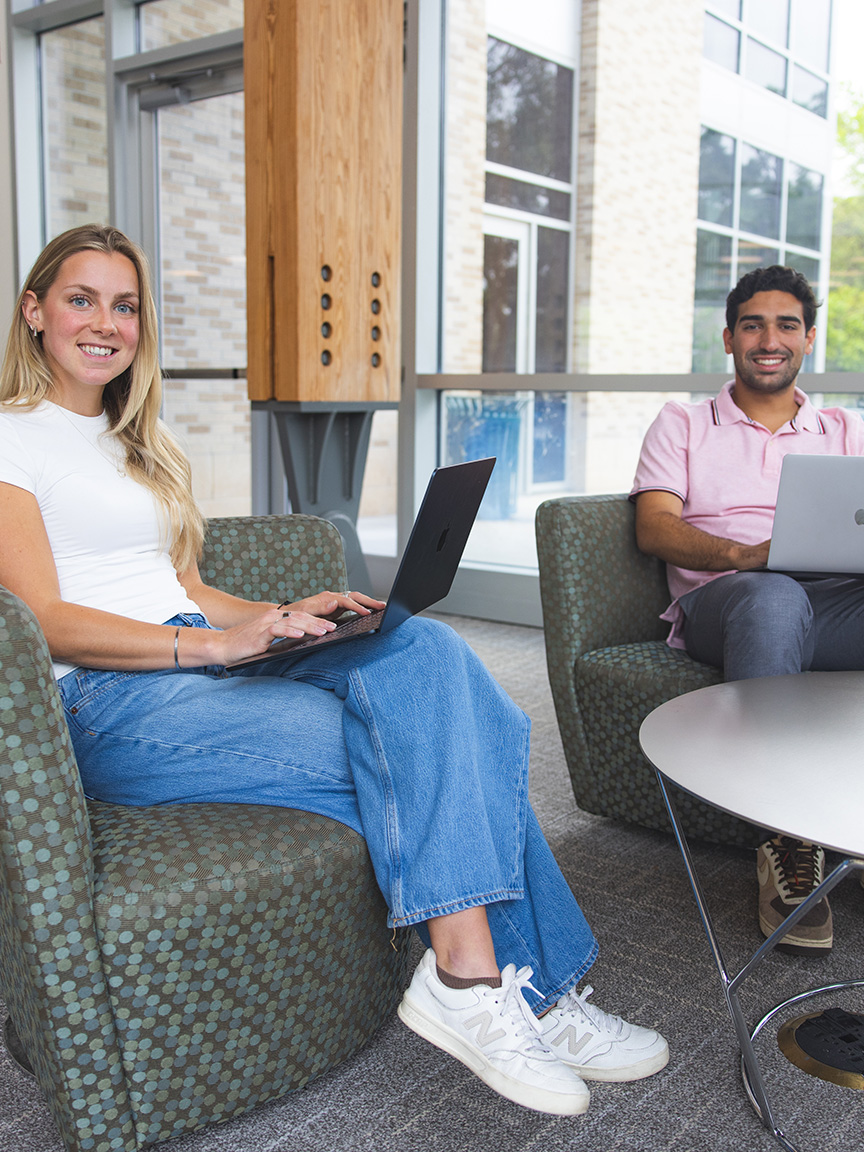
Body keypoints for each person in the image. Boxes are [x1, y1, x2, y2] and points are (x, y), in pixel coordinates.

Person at [0, 223, 668, 1118]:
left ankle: (514, 992)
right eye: (81, 299)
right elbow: (41, 618)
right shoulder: (13, 438)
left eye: (124, 305)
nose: (105, 323)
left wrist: (279, 618)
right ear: (35, 310)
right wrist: (209, 644)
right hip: (113, 702)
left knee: (429, 657)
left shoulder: (136, 445)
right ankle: (488, 984)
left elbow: (184, 585)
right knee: (426, 743)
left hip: (206, 659)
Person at [631, 264, 864, 958]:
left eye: (787, 324)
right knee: (774, 595)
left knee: (793, 593)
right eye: (754, 324)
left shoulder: (844, 428)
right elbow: (654, 527)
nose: (771, 339)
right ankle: (789, 842)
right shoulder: (684, 423)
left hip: (831, 599)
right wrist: (742, 556)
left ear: (809, 339)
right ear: (729, 337)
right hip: (727, 596)